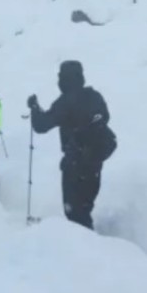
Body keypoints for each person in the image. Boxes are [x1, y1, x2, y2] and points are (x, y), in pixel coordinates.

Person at [27, 60, 116, 230]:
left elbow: (41, 125)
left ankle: (85, 249)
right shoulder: (94, 96)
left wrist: (34, 107)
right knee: (84, 208)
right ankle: (89, 244)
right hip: (95, 162)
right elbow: (105, 117)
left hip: (75, 165)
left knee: (74, 213)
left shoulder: (65, 102)